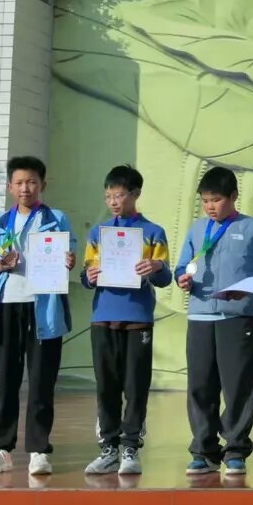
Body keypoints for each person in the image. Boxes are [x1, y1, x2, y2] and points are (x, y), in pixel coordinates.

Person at [175, 165, 253, 476]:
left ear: (233, 197)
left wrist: (245, 289)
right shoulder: (197, 230)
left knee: (238, 386)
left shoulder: (252, 228)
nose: (210, 206)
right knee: (200, 385)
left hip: (237, 318)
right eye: (205, 200)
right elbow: (182, 265)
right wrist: (182, 278)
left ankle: (235, 449)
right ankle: (203, 450)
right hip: (199, 316)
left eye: (216, 200)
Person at [0, 155, 74, 476]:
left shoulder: (57, 218)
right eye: (19, 182)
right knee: (6, 380)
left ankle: (38, 450)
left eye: (31, 182)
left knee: (42, 381)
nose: (25, 188)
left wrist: (69, 260)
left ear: (42, 184)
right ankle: (0, 449)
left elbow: (69, 254)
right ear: (9, 187)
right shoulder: (0, 222)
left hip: (44, 308)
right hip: (8, 305)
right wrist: (2, 265)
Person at [79, 165, 171, 476]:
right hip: (103, 318)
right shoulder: (99, 233)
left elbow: (164, 278)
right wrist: (90, 276)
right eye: (108, 197)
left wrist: (155, 267)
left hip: (137, 319)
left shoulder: (153, 232)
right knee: (106, 386)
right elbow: (87, 275)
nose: (113, 202)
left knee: (135, 385)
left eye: (119, 196)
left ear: (135, 194)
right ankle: (108, 448)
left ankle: (131, 447)